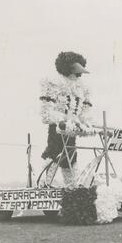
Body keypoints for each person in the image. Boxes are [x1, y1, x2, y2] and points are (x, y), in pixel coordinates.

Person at [40, 51, 94, 187]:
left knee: (70, 156)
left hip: (72, 129)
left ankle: (71, 186)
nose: (76, 75)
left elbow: (85, 111)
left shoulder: (83, 87)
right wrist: (65, 119)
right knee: (53, 152)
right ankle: (44, 183)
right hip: (59, 127)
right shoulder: (53, 82)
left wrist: (85, 122)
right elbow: (46, 111)